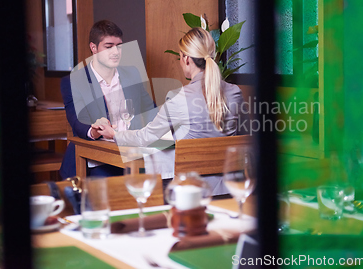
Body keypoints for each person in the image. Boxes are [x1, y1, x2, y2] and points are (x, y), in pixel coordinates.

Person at [99, 27, 246, 191]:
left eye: (180, 56)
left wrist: (115, 134)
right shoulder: (235, 92)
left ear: (187, 59)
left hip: (190, 191)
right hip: (231, 188)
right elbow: (238, 135)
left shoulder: (179, 97)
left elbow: (146, 137)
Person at [60, 20, 156, 178]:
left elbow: (151, 110)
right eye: (109, 46)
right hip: (95, 158)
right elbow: (77, 122)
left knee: (163, 177)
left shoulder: (132, 74)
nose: (116, 52)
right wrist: (94, 131)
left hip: (131, 153)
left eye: (119, 46)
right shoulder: (73, 81)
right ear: (94, 48)